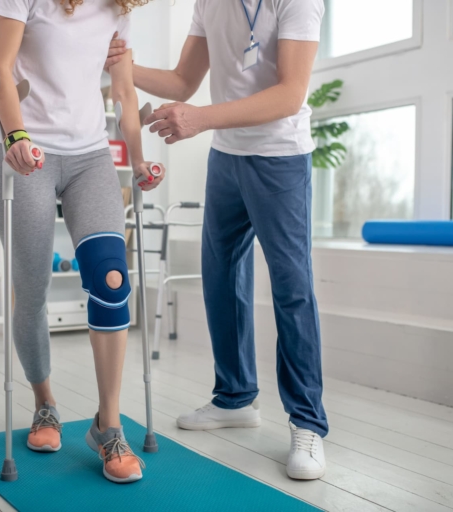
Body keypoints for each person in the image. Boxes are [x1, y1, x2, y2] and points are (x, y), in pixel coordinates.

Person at [106, 0, 328, 480]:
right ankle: (235, 397)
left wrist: (201, 118)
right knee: (221, 276)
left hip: (281, 157)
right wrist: (126, 67)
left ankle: (308, 423)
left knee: (292, 287)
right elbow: (184, 81)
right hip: (227, 156)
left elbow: (290, 94)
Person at [0, 0, 162, 484]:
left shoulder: (118, 8)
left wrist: (140, 159)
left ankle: (108, 426)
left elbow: (124, 93)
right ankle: (45, 404)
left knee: (111, 278)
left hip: (91, 157)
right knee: (33, 289)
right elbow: (0, 68)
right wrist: (14, 135)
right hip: (30, 153)